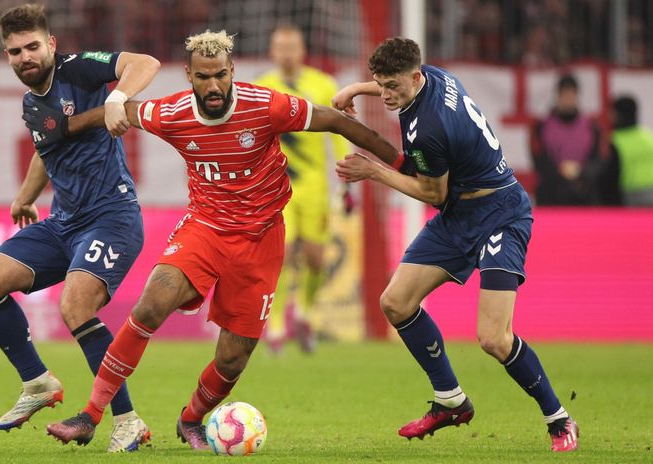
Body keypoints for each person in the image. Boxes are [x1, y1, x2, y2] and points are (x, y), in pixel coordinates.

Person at [34, 29, 405, 450]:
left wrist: (399, 162)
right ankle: (90, 415)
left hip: (261, 238)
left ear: (232, 71)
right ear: (188, 75)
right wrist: (64, 128)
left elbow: (336, 120)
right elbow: (121, 111)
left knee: (233, 358)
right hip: (205, 228)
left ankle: (191, 419)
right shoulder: (171, 113)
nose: (213, 86)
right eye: (203, 77)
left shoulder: (266, 105)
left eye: (220, 76)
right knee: (151, 304)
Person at [333, 37, 579, 452]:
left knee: (494, 338)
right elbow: (395, 85)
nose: (386, 95)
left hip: (500, 213)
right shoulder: (434, 77)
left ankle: (559, 419)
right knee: (395, 303)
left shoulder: (428, 129)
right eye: (381, 84)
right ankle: (450, 400)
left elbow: (432, 193)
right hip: (460, 214)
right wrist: (357, 88)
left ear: (415, 78)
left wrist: (372, 171)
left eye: (393, 86)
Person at [0, 3, 159, 453]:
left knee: (75, 307)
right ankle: (37, 382)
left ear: (50, 44)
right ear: (7, 56)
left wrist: (115, 99)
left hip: (112, 217)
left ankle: (127, 421)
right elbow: (46, 149)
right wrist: (24, 197)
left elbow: (145, 63)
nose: (25, 57)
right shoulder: (32, 104)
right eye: (15, 51)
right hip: (63, 223)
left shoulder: (79, 69)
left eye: (33, 46)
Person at [254, 25, 352, 354]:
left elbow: (339, 133)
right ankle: (276, 326)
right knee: (280, 254)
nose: (286, 54)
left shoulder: (323, 84)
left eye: (291, 47)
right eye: (280, 48)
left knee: (315, 259)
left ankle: (305, 313)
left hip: (314, 185)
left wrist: (346, 180)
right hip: (276, 185)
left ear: (302, 50)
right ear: (272, 51)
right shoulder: (261, 87)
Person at [530, 74, 602, 205]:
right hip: (551, 195)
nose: (568, 99)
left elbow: (597, 159)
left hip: (583, 193)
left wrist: (582, 173)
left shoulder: (591, 127)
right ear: (557, 96)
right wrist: (560, 173)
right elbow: (539, 159)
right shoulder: (542, 127)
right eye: (564, 95)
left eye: (571, 95)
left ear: (577, 96)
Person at [603, 95, 653, 206]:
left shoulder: (615, 140)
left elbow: (611, 175)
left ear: (619, 115)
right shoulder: (649, 136)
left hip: (630, 194)